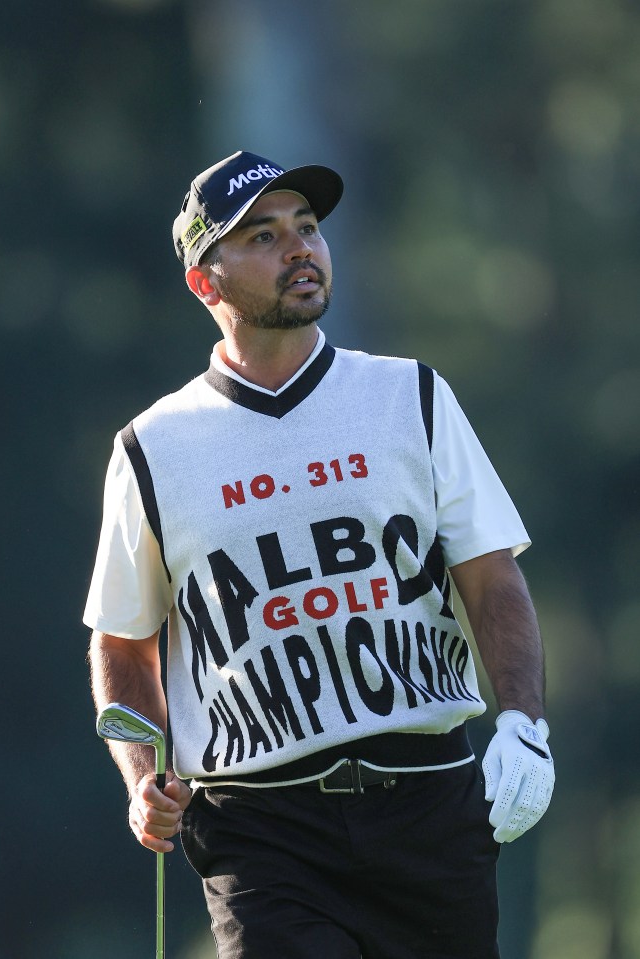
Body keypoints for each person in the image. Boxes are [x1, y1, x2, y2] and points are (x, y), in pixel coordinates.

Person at [85, 149, 555, 959]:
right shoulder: (151, 448)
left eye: (306, 228)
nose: (299, 248)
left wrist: (523, 721)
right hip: (259, 831)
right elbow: (122, 640)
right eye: (263, 236)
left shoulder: (410, 394)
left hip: (426, 808)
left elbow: (489, 575)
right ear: (206, 282)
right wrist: (141, 781)